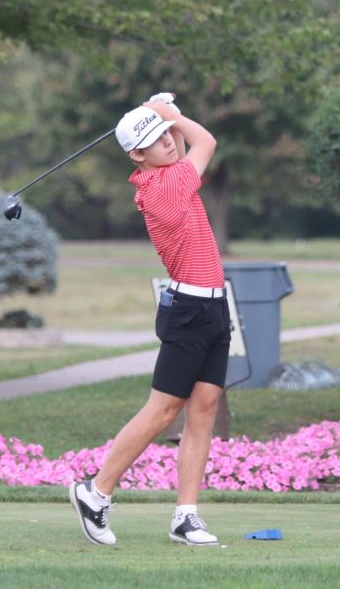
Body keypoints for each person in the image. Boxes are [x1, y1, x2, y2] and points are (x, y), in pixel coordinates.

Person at [68, 93, 230, 547]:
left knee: (203, 411)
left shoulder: (168, 173)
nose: (167, 144)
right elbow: (206, 142)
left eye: (165, 137)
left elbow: (181, 146)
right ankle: (95, 491)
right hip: (190, 312)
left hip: (214, 305)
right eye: (155, 141)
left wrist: (160, 116)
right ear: (137, 156)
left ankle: (186, 516)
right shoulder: (162, 187)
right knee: (163, 410)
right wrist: (172, 115)